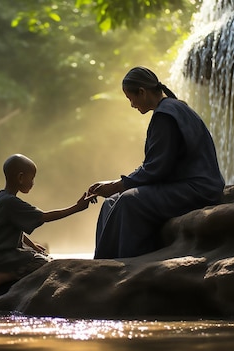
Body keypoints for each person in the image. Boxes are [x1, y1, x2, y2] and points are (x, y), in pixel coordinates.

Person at [88, 66, 225, 259]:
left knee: (128, 201)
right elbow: (156, 164)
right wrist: (115, 186)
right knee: (111, 202)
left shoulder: (165, 115)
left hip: (198, 188)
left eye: (131, 98)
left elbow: (156, 168)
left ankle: (126, 264)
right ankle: (103, 264)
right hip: (181, 184)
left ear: (142, 92)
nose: (132, 105)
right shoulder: (172, 108)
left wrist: (119, 185)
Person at [0, 153, 95, 297]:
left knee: (37, 255)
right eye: (31, 178)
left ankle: (1, 273)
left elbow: (10, 227)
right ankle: (3, 275)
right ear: (20, 178)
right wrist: (76, 208)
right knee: (46, 264)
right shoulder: (11, 202)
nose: (33, 183)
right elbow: (44, 217)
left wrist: (32, 245)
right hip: (1, 258)